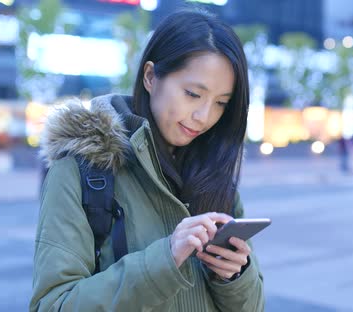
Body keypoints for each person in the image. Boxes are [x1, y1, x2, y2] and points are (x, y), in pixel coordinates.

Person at [30, 8, 265, 312]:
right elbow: (53, 305)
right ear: (151, 76)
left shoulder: (215, 176)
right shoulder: (82, 169)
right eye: (193, 94)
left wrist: (235, 275)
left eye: (221, 103)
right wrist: (165, 258)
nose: (204, 117)